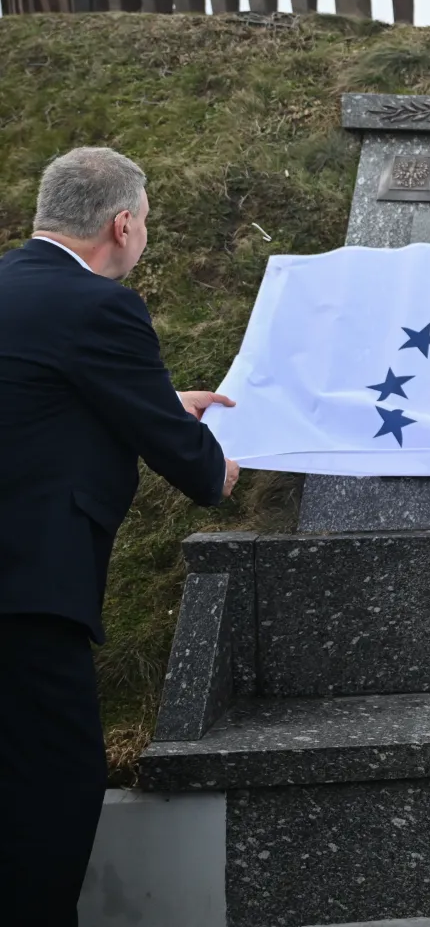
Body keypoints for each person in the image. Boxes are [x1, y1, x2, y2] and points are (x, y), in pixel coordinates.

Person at [0, 147, 239, 925]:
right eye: (147, 225)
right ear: (123, 223)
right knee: (51, 790)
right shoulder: (100, 306)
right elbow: (191, 464)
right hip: (27, 596)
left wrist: (160, 399)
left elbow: (32, 393)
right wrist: (216, 467)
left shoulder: (12, 288)